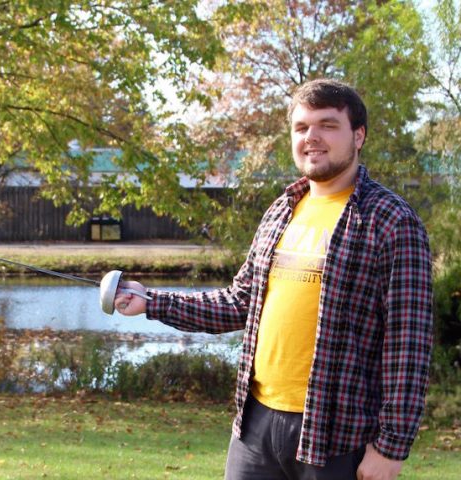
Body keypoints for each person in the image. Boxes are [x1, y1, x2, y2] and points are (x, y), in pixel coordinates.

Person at [114, 79, 433, 480]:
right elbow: (240, 302)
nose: (311, 137)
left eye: (327, 125)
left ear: (359, 135)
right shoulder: (282, 210)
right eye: (301, 128)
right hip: (255, 428)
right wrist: (152, 301)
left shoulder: (391, 219)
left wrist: (391, 447)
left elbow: (409, 342)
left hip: (338, 436)